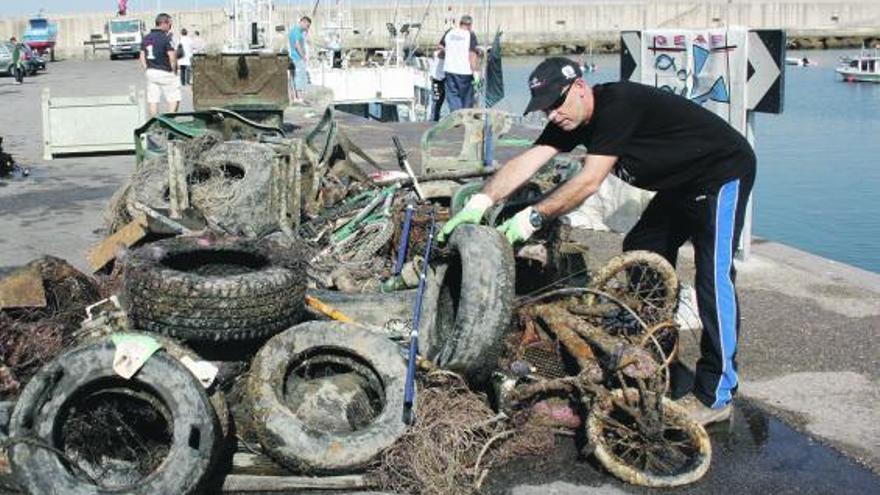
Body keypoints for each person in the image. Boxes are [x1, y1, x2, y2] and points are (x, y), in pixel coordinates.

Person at [438, 57, 756, 426]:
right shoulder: (568, 119)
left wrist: (533, 217)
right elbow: (529, 161)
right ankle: (656, 345)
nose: (553, 116)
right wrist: (480, 202)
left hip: (720, 172)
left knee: (713, 277)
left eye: (557, 104)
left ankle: (716, 394)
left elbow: (590, 182)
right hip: (681, 182)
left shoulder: (617, 105)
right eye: (545, 109)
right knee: (643, 248)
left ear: (579, 88)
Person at [140, 13, 180, 116]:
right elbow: (172, 57)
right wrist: (174, 71)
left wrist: (147, 69)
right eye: (170, 24)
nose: (170, 27)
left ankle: (155, 122)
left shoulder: (146, 38)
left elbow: (142, 56)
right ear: (164, 23)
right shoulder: (166, 38)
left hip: (151, 71)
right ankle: (170, 121)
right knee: (174, 97)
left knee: (153, 99)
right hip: (165, 71)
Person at [438, 15, 480, 111]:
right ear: (470, 25)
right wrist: (476, 73)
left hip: (449, 69)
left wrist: (450, 53)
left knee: (453, 95)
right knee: (466, 98)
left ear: (460, 23)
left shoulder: (450, 32)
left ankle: (456, 118)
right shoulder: (470, 35)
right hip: (464, 71)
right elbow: (472, 55)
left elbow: (440, 46)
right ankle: (465, 119)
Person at [288, 16, 311, 104]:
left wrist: (306, 32)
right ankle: (299, 97)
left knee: (299, 77)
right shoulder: (296, 32)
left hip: (296, 58)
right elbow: (297, 45)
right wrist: (303, 56)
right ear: (303, 22)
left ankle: (298, 97)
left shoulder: (296, 31)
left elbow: (304, 40)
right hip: (297, 58)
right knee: (299, 77)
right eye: (307, 26)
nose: (307, 28)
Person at [429, 49, 446, 121]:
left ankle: (436, 117)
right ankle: (433, 119)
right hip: (436, 80)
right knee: (436, 100)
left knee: (441, 101)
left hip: (444, 79)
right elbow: (439, 54)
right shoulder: (436, 54)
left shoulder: (448, 56)